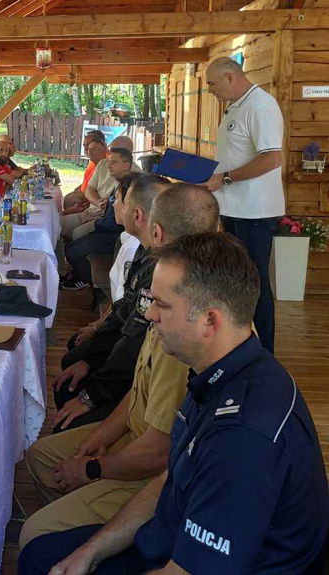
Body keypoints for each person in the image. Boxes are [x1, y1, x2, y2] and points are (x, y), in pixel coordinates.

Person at [20, 232, 329, 575]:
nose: (150, 314)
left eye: (162, 305)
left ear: (210, 321)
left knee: (38, 557)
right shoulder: (227, 371)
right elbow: (172, 479)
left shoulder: (242, 438)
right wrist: (91, 552)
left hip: (186, 559)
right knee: (42, 554)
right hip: (168, 535)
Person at [19, 312, 189, 548]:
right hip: (134, 435)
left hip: (153, 472)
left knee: (36, 533)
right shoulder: (162, 320)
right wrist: (100, 437)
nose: (148, 311)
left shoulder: (180, 343)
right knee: (41, 457)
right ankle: (77, 533)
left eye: (161, 301)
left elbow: (157, 454)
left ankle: (89, 543)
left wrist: (91, 469)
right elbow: (137, 391)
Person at [52, 176, 188, 433]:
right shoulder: (145, 251)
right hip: (129, 358)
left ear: (136, 214)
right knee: (75, 360)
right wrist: (93, 346)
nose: (113, 205)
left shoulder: (161, 266)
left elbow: (134, 338)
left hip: (137, 378)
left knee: (70, 387)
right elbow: (126, 308)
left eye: (118, 201)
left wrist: (91, 394)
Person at [202, 56, 284, 353]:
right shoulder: (235, 106)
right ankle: (240, 345)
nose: (209, 89)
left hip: (255, 211)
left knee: (255, 283)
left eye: (212, 83)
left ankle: (265, 354)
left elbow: (272, 158)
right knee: (237, 279)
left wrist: (223, 178)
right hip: (234, 208)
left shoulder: (261, 105)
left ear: (230, 76)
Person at [62, 151, 136, 292]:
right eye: (109, 162)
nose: (109, 166)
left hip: (115, 235)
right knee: (71, 247)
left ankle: (87, 280)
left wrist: (97, 224)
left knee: (73, 251)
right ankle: (81, 276)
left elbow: (119, 222)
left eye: (114, 162)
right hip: (107, 225)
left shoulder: (129, 187)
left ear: (127, 165)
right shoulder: (119, 183)